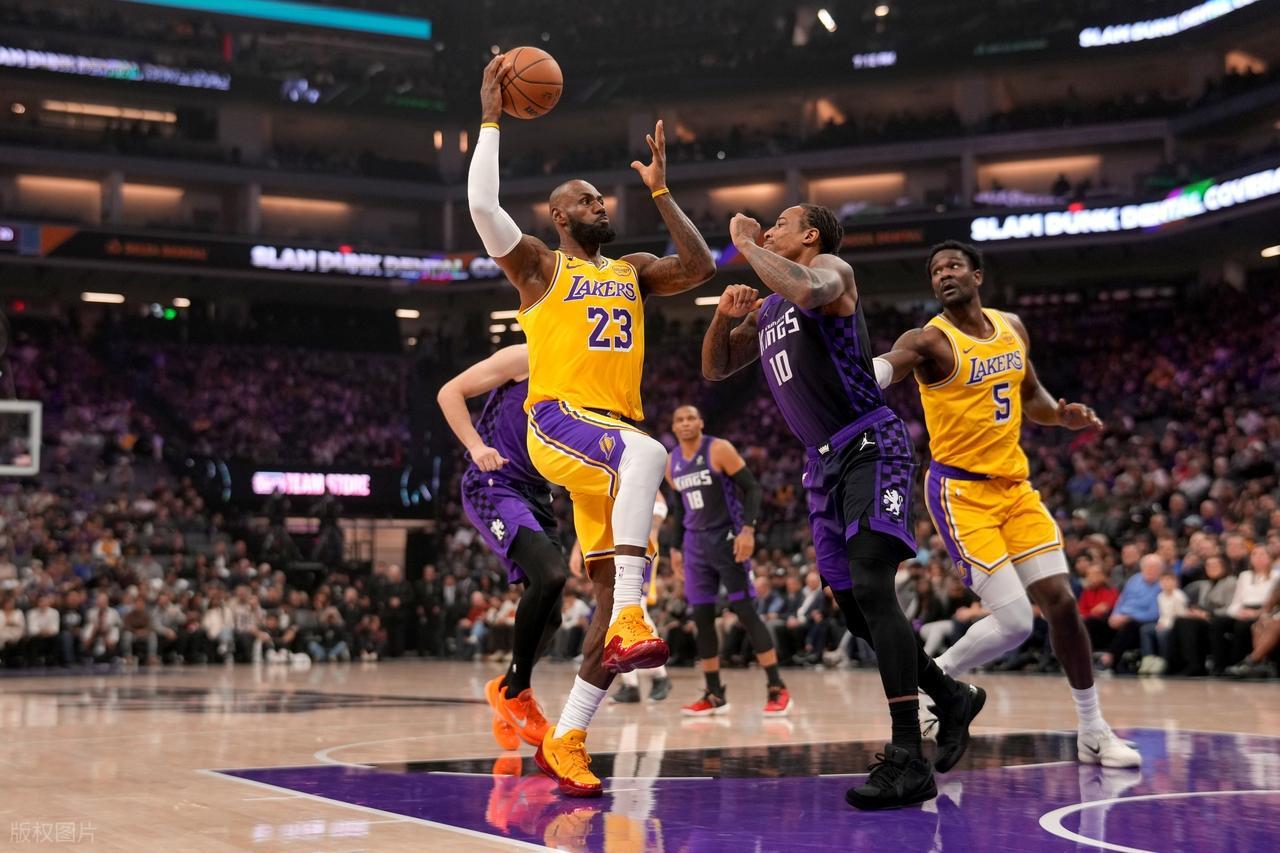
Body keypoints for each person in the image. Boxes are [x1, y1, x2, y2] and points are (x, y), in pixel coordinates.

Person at [469, 54, 715, 798]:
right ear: (559, 216)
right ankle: (636, 612)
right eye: (584, 200)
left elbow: (700, 266)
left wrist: (662, 191)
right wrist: (491, 118)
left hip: (607, 449)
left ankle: (568, 736)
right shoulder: (542, 268)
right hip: (558, 421)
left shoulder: (631, 269)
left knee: (605, 602)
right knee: (648, 454)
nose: (599, 204)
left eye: (602, 199)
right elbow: (483, 208)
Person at [702, 206, 982, 810]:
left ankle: (908, 756)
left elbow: (807, 288)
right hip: (820, 464)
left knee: (873, 587)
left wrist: (747, 245)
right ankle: (951, 696)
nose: (770, 228)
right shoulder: (769, 306)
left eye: (781, 222)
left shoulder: (831, 270)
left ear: (810, 235)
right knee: (855, 613)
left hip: (869, 443)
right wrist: (723, 318)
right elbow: (716, 368)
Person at [876, 239, 1140, 769]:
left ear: (977, 275)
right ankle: (937, 683)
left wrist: (1060, 415)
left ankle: (1092, 729)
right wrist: (860, 372)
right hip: (960, 493)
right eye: (935, 271)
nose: (943, 275)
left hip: (1015, 488)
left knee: (1061, 603)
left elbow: (1031, 394)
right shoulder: (930, 340)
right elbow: (888, 365)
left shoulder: (1012, 327)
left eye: (953, 266)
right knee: (1017, 622)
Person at [437, 344, 565, 751]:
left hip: (539, 494)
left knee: (553, 617)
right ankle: (517, 694)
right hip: (495, 484)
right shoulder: (528, 355)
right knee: (551, 575)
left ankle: (504, 688)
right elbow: (449, 392)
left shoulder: (584, 376)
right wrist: (476, 447)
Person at [664, 404, 790, 716]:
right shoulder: (671, 462)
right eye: (680, 419)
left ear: (701, 422)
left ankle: (777, 687)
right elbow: (679, 508)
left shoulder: (718, 449)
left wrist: (748, 530)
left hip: (727, 538)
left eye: (691, 417)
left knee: (745, 611)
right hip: (694, 544)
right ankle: (714, 693)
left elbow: (752, 489)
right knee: (702, 618)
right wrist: (675, 549)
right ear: (674, 427)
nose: (686, 423)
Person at [610, 494, 673, 704]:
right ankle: (633, 682)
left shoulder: (647, 486)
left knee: (635, 616)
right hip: (618, 554)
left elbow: (657, 517)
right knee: (619, 618)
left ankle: (657, 676)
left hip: (641, 555)